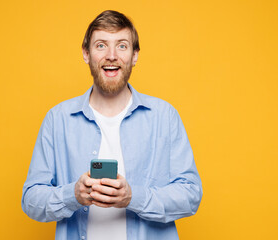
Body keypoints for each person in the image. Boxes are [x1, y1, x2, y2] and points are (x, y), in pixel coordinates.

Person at [22, 10, 202, 240]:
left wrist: (133, 197)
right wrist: (72, 195)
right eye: (101, 45)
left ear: (135, 56)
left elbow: (191, 194)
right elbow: (31, 200)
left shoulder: (165, 117)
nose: (111, 55)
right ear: (86, 54)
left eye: (122, 46)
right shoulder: (58, 120)